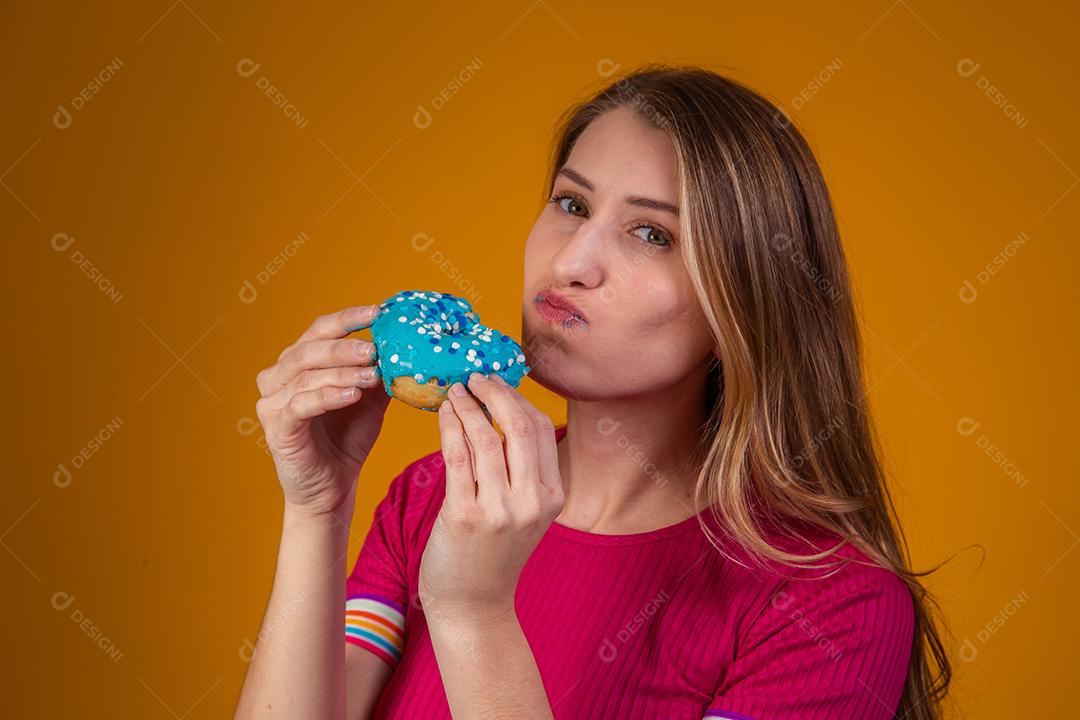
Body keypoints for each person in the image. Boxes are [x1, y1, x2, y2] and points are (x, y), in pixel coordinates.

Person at [235, 64, 952, 719]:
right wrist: (317, 511)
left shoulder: (830, 607)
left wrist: (473, 612)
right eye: (572, 205)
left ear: (747, 302)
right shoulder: (429, 499)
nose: (572, 262)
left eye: (651, 233)